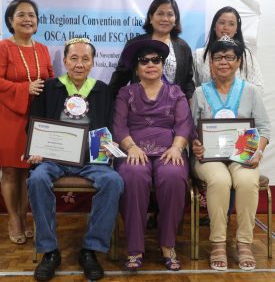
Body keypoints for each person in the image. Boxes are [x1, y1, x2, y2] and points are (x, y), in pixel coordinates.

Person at [26, 38, 124, 281]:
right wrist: (35, 149)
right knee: (37, 178)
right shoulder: (49, 88)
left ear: (93, 62)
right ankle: (49, 251)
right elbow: (34, 125)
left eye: (85, 59)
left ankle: (90, 250)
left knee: (113, 182)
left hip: (91, 159)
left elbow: (110, 127)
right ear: (65, 61)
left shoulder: (103, 90)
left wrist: (111, 148)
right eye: (74, 58)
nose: (79, 64)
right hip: (54, 157)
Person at [113, 39, 194, 271]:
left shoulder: (176, 92)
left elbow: (184, 124)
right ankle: (135, 248)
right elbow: (118, 126)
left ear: (162, 64)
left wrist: (177, 147)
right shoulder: (125, 93)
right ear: (136, 68)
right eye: (144, 61)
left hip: (169, 149)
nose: (150, 64)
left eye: (156, 60)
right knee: (132, 174)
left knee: (172, 176)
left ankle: (168, 245)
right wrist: (130, 147)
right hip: (133, 150)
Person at [191, 36, 271, 271]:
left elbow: (265, 128)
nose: (223, 62)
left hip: (242, 154)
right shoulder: (200, 92)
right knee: (220, 180)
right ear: (210, 62)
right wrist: (195, 143)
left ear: (238, 62)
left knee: (247, 180)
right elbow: (189, 128)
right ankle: (218, 242)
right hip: (208, 158)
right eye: (217, 57)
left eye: (229, 57)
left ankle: (244, 243)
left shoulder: (251, 92)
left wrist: (258, 150)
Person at [0, 0, 54, 244]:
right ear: (10, 21)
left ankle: (26, 216)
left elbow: (50, 79)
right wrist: (26, 88)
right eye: (21, 15)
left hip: (36, 118)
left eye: (32, 15)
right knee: (11, 171)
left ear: (37, 21)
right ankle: (14, 218)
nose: (27, 19)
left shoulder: (43, 49)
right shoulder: (1, 47)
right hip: (10, 116)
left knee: (28, 170)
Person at [109, 0, 195, 101]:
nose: (165, 19)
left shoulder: (183, 47)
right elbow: (120, 78)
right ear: (150, 17)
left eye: (170, 14)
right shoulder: (136, 44)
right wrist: (109, 102)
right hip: (139, 107)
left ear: (175, 19)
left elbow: (188, 82)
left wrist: (189, 104)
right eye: (160, 13)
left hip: (173, 110)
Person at [193, 6, 264, 95]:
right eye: (222, 23)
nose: (226, 27)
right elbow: (192, 86)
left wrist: (242, 102)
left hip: (239, 107)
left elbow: (258, 86)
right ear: (214, 26)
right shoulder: (199, 55)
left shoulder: (245, 55)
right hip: (208, 107)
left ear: (236, 29)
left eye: (231, 24)